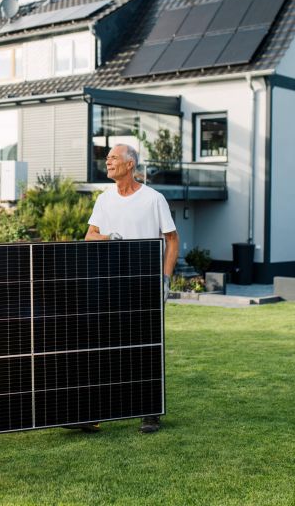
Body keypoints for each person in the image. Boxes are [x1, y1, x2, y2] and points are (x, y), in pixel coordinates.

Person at [84, 143, 179, 434]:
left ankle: (149, 412)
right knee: (103, 349)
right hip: (109, 284)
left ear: (130, 165)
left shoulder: (153, 199)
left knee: (144, 348)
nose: (108, 161)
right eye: (108, 157)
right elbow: (90, 236)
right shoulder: (104, 199)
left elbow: (172, 240)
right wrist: (109, 237)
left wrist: (164, 279)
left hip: (144, 284)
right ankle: (93, 413)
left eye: (114, 157)